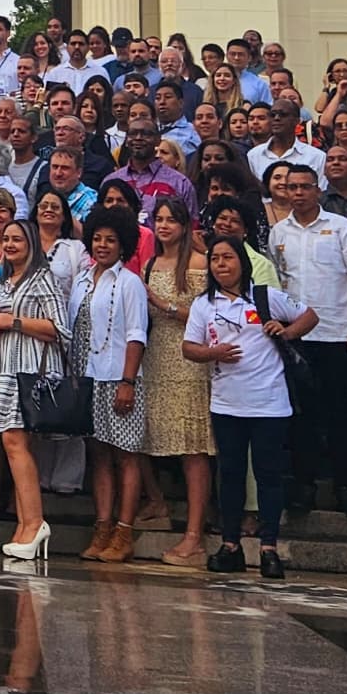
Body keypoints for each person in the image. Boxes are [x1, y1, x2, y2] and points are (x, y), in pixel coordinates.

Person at [182, 232, 316, 577]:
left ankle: (269, 546)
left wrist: (285, 331)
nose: (221, 265)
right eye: (215, 259)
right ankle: (230, 545)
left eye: (228, 258)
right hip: (227, 403)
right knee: (231, 475)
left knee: (269, 475)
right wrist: (213, 353)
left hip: (269, 403)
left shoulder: (264, 297)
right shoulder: (204, 304)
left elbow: (310, 317)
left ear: (242, 261)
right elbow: (189, 347)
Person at [267, 161, 347, 516]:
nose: (298, 193)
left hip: (337, 333)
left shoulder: (342, 228)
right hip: (297, 336)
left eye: (305, 186)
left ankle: (345, 487)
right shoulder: (279, 232)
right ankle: (304, 486)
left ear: (318, 189)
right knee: (302, 417)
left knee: (340, 414)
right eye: (291, 187)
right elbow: (277, 284)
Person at [0, 218, 67, 561]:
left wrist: (13, 322)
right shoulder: (6, 282)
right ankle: (23, 525)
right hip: (6, 363)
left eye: (18, 238)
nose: (11, 244)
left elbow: (60, 328)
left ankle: (34, 523)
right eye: (7, 239)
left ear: (32, 242)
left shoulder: (43, 279)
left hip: (32, 368)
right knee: (12, 441)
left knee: (14, 440)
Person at [71, 204, 150, 563]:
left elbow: (137, 335)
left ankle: (124, 531)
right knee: (98, 456)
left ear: (124, 245)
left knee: (126, 456)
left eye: (111, 240)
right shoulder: (82, 279)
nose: (103, 245)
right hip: (87, 377)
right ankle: (101, 528)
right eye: (97, 239)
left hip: (118, 377)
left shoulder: (130, 282)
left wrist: (128, 381)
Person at [141, 199, 213, 565]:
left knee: (192, 446)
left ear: (186, 225)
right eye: (159, 219)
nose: (164, 225)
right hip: (155, 357)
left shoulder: (198, 263)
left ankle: (194, 534)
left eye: (172, 220)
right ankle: (157, 503)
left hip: (189, 360)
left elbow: (206, 317)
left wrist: (164, 304)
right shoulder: (151, 262)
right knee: (147, 437)